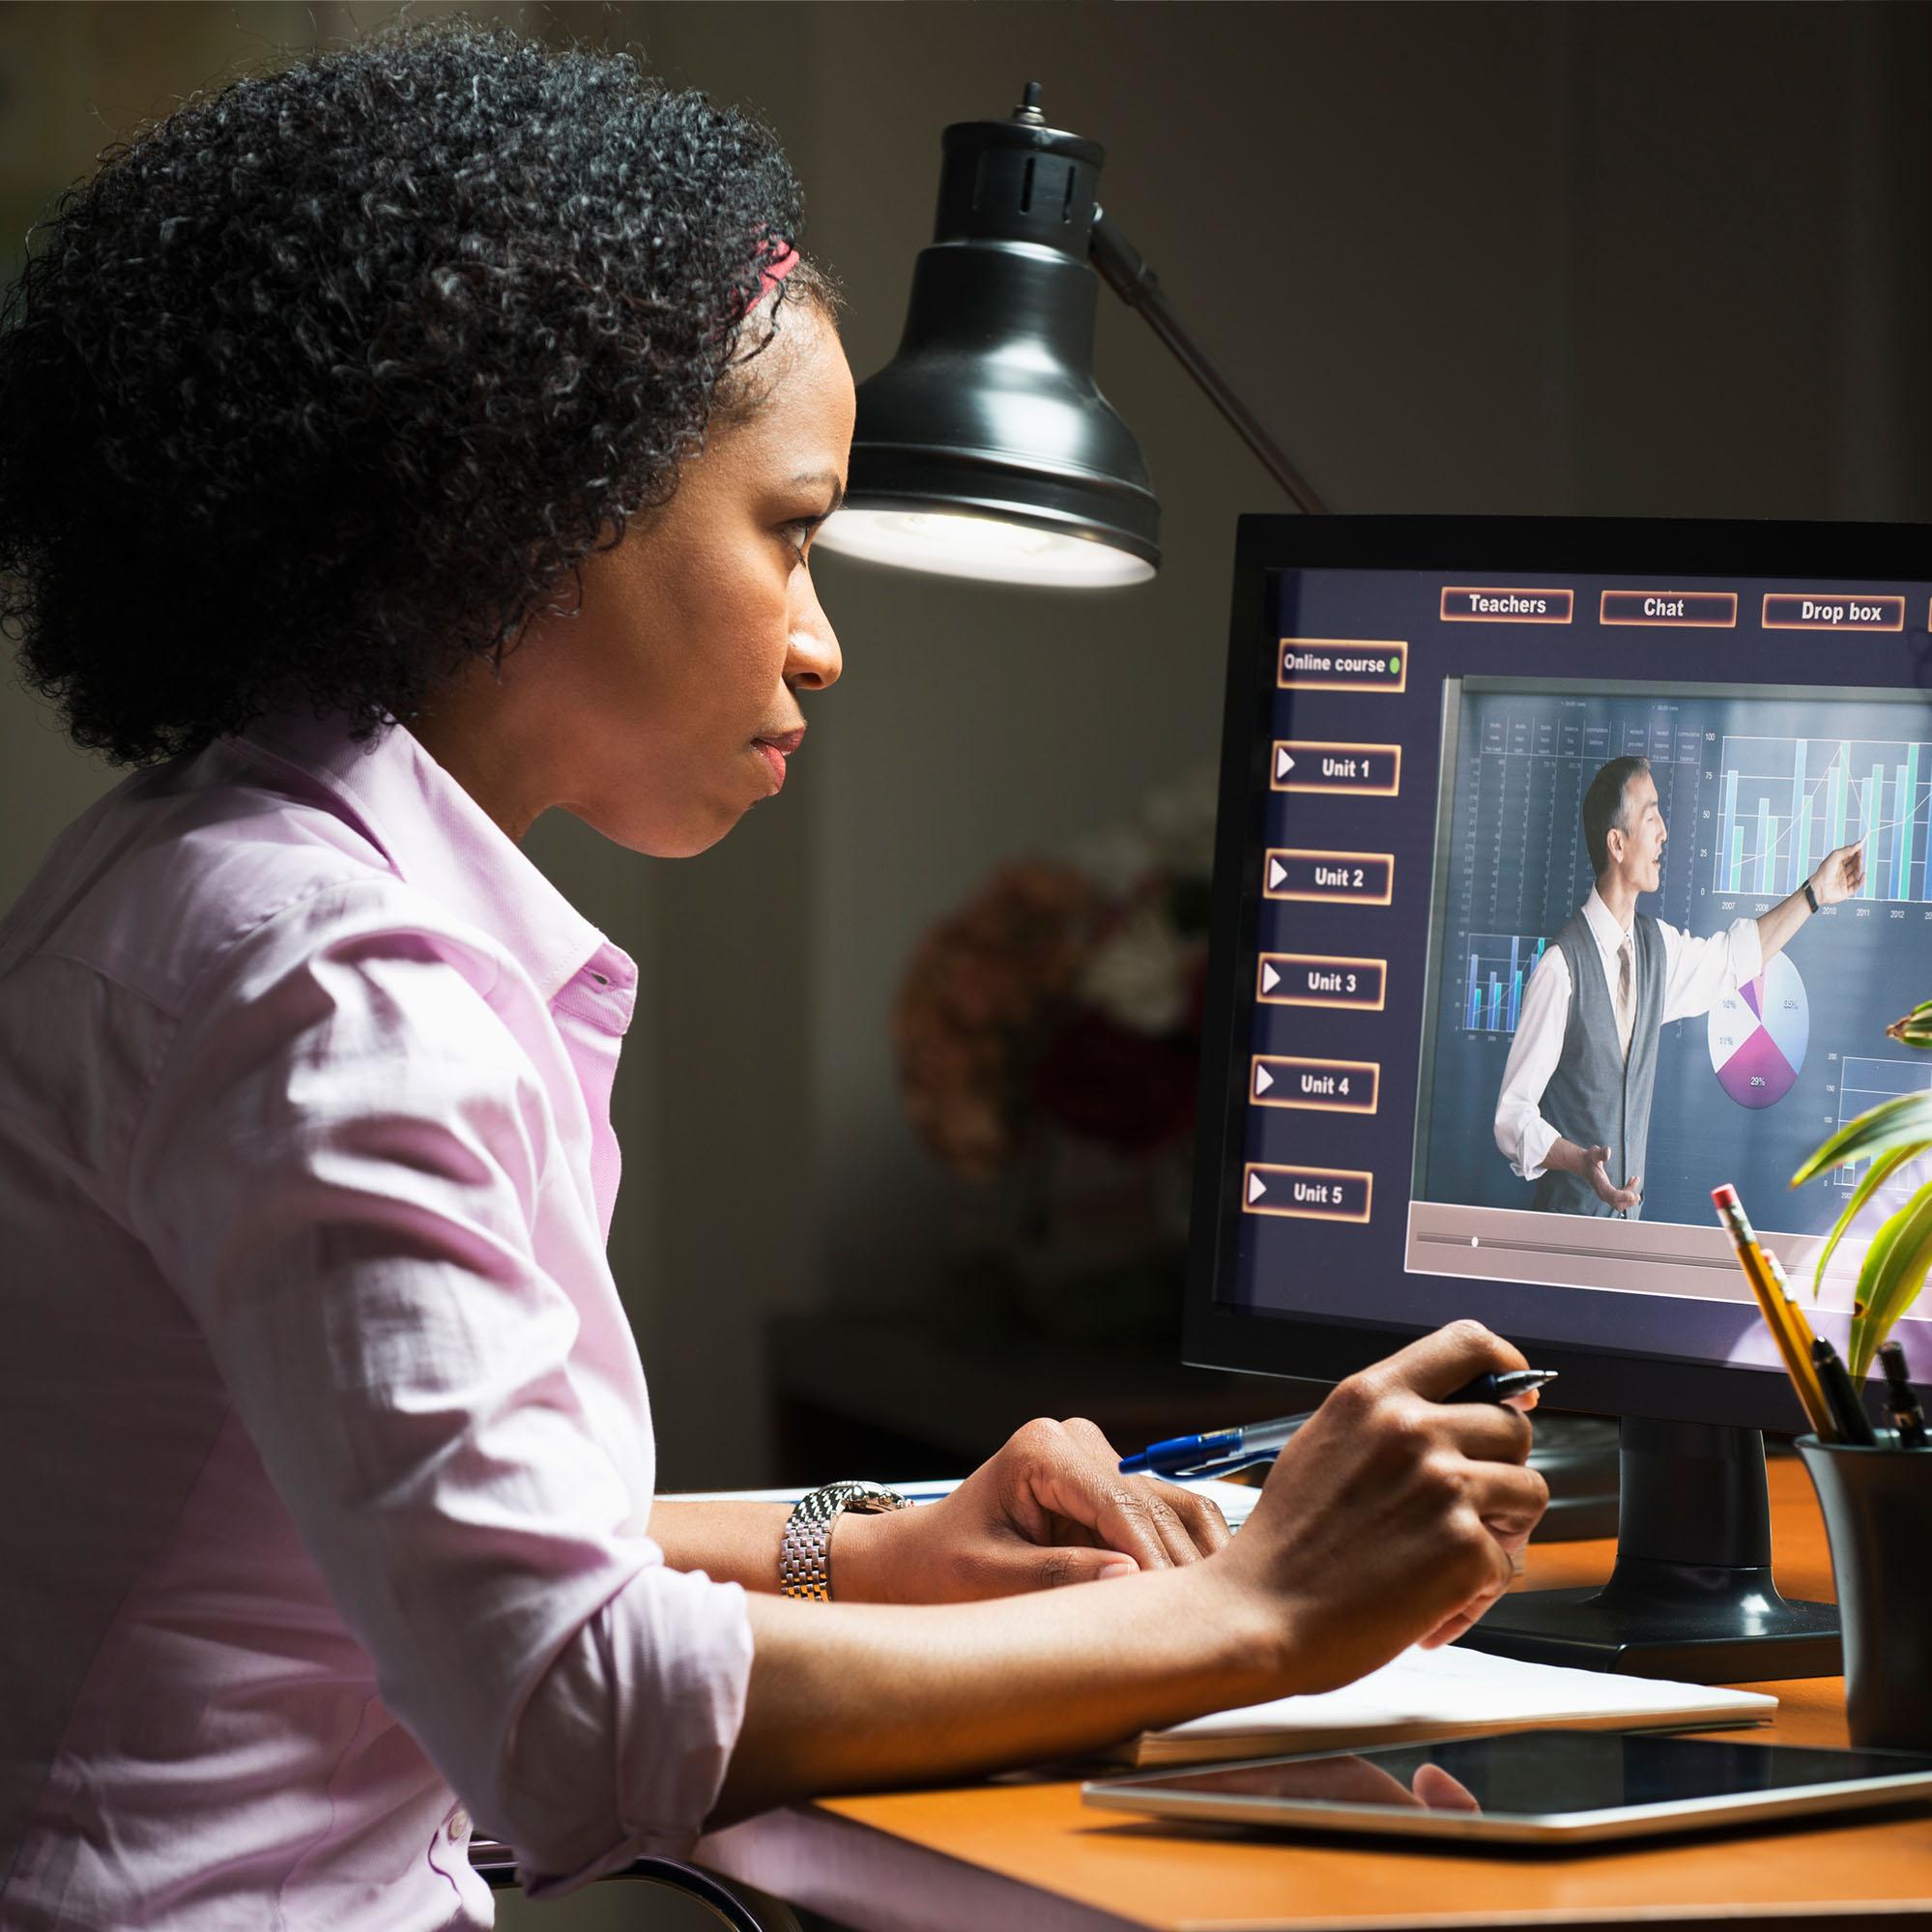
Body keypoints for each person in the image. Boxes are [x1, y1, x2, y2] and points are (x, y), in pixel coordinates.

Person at [0, 20, 1545, 1928]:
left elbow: (390, 1536)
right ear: (540, 508)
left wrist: (869, 1544)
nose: (823, 644)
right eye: (793, 534)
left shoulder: (227, 870)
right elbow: (567, 1711)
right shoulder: (340, 984)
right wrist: (1260, 1613)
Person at [1494, 753, 1862, 1218]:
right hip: (1564, 1244)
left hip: (1626, 1244)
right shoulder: (1561, 969)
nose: (1664, 831)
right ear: (1617, 843)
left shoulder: (1656, 950)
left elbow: (1734, 957)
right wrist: (1579, 1162)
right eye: (1650, 816)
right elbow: (1512, 1119)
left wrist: (1815, 894)